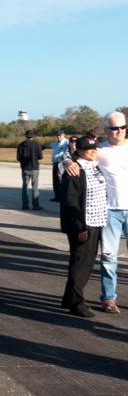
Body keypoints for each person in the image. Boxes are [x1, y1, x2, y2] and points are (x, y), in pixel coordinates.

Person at [64, 110, 128, 313]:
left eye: (123, 127)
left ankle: (73, 298)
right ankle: (108, 297)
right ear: (106, 129)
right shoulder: (100, 150)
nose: (119, 131)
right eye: (114, 128)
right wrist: (68, 162)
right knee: (109, 257)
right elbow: (79, 157)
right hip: (109, 213)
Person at [59, 138, 108, 318]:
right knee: (82, 264)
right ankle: (76, 303)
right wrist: (81, 227)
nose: (93, 151)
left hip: (98, 222)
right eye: (88, 149)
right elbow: (70, 202)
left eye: (95, 148)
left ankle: (68, 299)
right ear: (79, 151)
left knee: (85, 262)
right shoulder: (75, 171)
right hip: (83, 225)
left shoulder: (96, 167)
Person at [16, 129, 44, 210]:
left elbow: (18, 158)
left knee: (25, 186)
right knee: (35, 186)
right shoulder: (36, 145)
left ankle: (25, 204)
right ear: (32, 136)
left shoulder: (21, 145)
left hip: (25, 168)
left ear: (26, 136)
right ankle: (35, 204)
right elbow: (40, 157)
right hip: (34, 167)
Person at [50, 129, 68, 203]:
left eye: (60, 135)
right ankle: (56, 196)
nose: (58, 136)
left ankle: (62, 196)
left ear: (63, 135)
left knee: (61, 180)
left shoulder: (66, 143)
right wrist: (43, 146)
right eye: (57, 135)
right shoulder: (56, 143)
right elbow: (51, 145)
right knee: (55, 180)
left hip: (62, 164)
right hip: (55, 164)